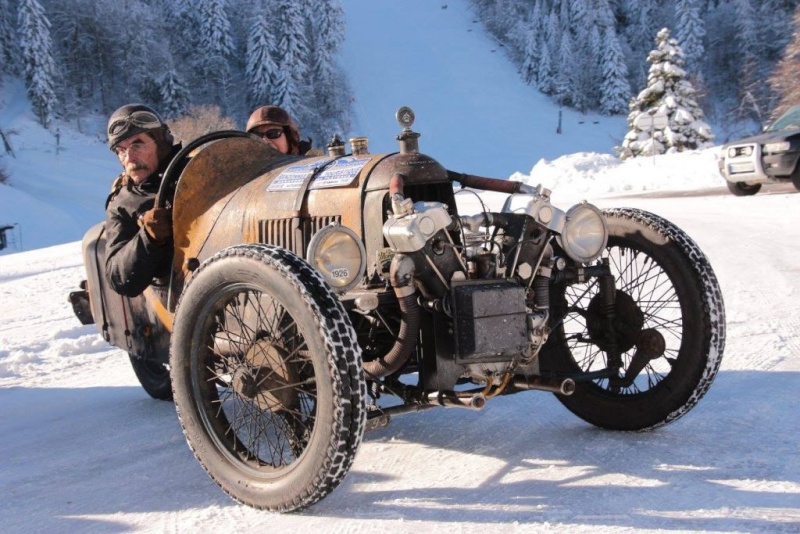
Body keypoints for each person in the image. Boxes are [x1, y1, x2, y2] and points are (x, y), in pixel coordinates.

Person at [104, 104, 182, 298]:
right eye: (121, 150)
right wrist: (148, 237)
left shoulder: (197, 169)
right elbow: (118, 279)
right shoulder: (122, 204)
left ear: (161, 142)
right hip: (181, 300)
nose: (130, 157)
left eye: (137, 145)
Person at [245, 105, 314, 155]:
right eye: (257, 136)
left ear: (289, 137)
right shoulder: (245, 172)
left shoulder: (311, 167)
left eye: (273, 133)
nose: (265, 141)